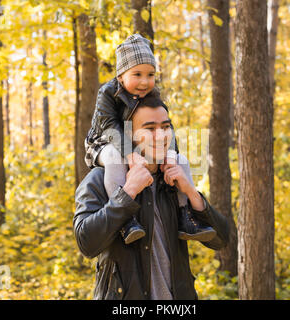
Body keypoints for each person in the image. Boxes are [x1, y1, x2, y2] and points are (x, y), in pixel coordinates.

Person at [74, 95, 230, 300]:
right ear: (128, 135)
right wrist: (126, 194)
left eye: (165, 127)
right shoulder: (100, 178)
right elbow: (86, 243)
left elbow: (221, 239)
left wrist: (192, 192)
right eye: (149, 129)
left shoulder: (175, 181)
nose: (161, 136)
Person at [84, 34, 215, 244]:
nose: (145, 82)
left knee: (180, 162)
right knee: (114, 157)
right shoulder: (107, 93)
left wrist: (171, 154)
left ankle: (185, 215)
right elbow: (109, 126)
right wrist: (130, 154)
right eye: (137, 74)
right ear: (120, 76)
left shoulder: (151, 93)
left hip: (135, 142)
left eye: (150, 74)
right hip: (104, 141)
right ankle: (126, 220)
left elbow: (166, 124)